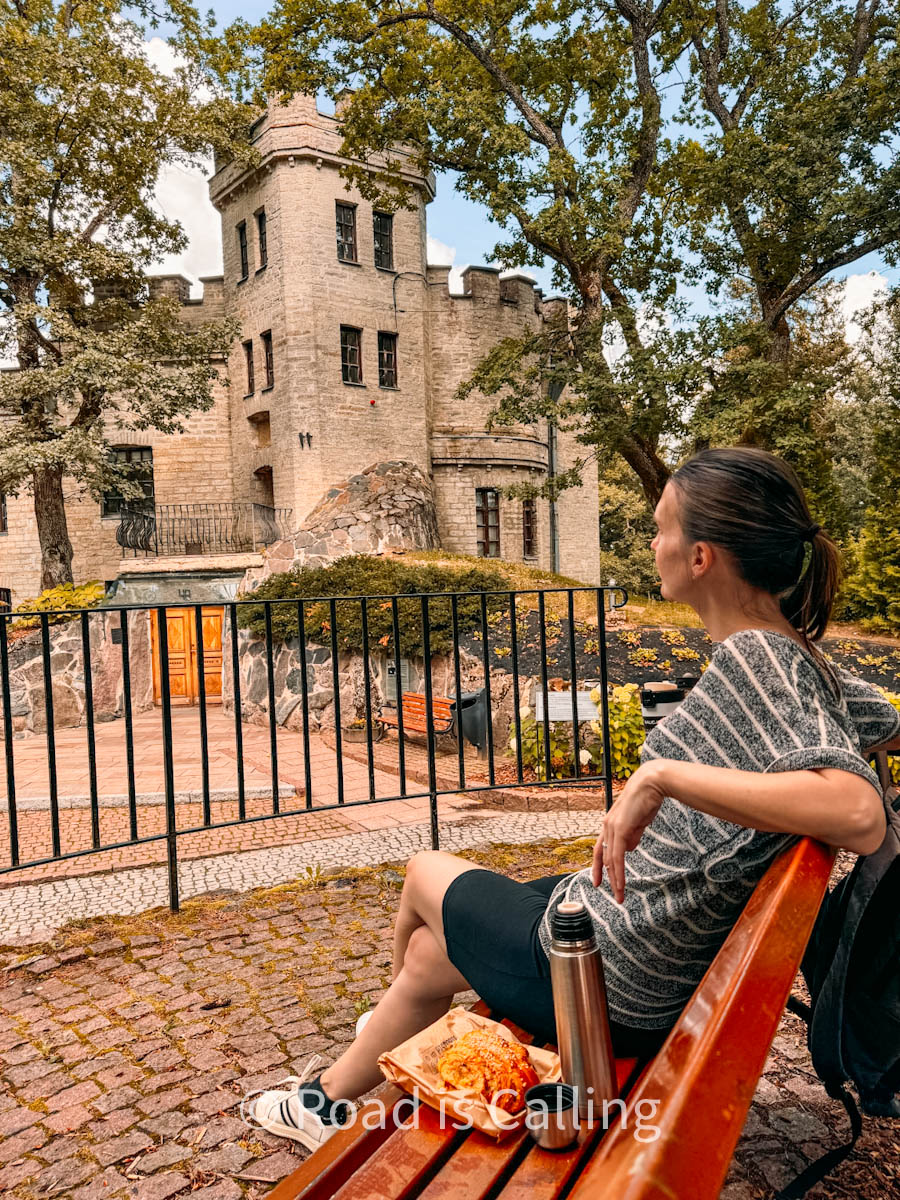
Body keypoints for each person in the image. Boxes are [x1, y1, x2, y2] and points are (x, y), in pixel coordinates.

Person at [245, 447, 900, 1151]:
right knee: (434, 956)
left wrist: (661, 777)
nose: (653, 545)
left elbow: (858, 813)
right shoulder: (800, 659)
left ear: (702, 556)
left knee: (424, 870)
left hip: (610, 972)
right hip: (627, 947)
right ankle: (342, 1085)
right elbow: (883, 726)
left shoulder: (754, 659)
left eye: (661, 530)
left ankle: (354, 1069)